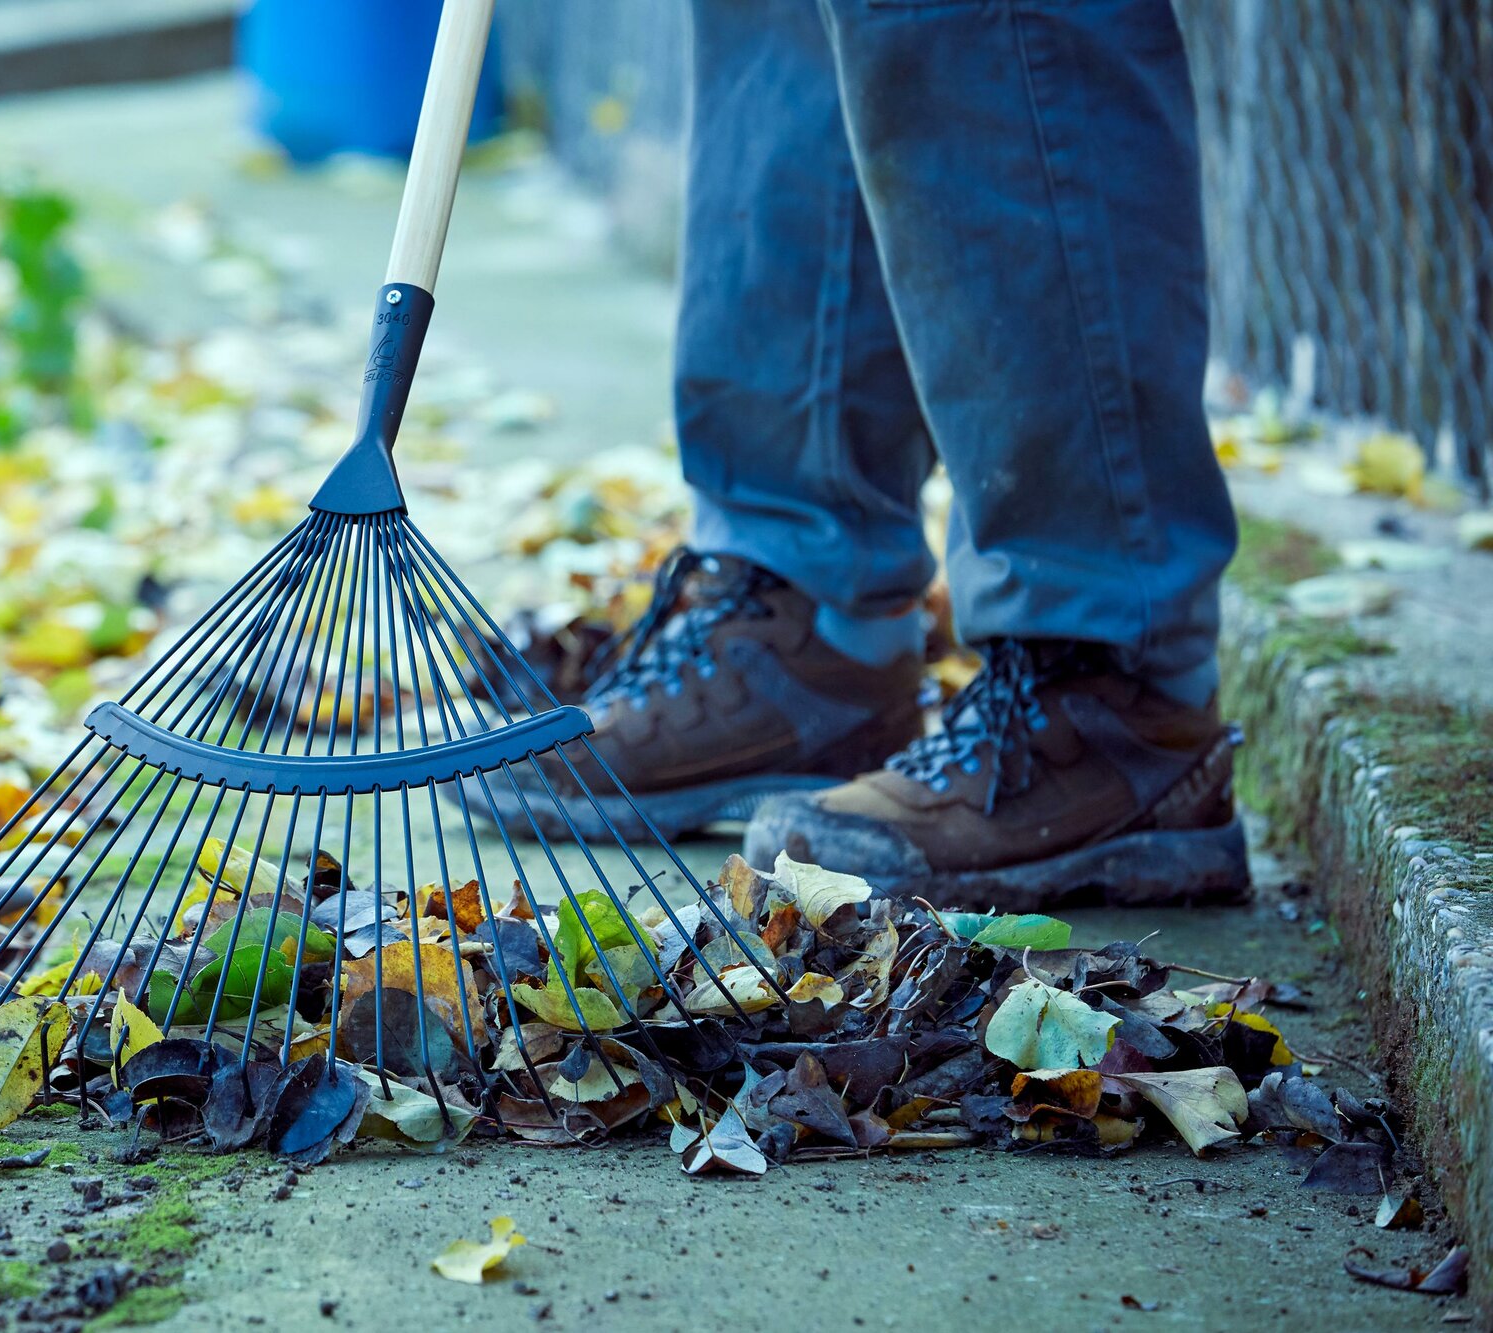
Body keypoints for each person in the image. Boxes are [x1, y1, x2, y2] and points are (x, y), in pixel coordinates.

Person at [502, 0, 1248, 911]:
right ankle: (806, 620)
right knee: (785, 20)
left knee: (980, 20)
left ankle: (1110, 683)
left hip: (1116, 686)